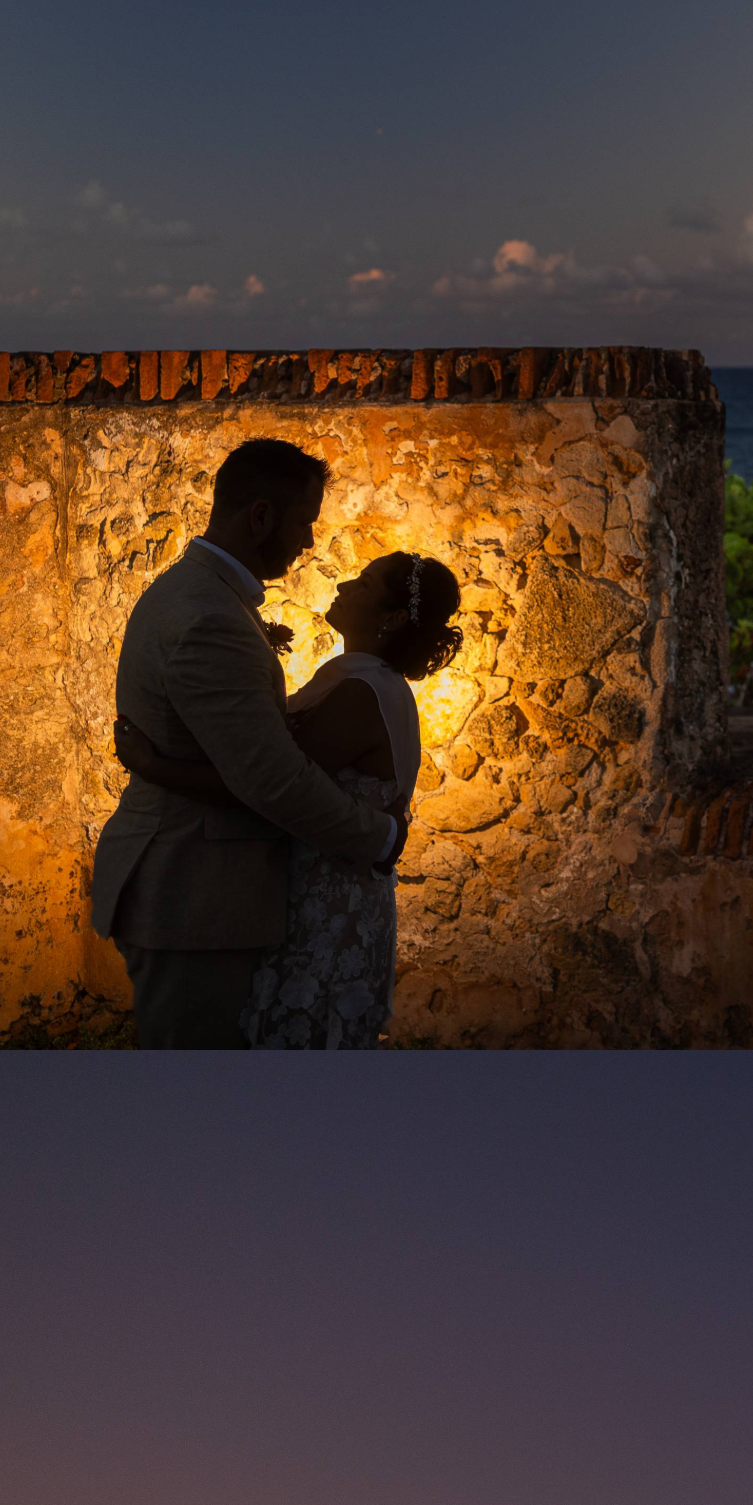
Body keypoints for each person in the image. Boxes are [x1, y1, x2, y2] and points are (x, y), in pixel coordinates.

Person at [89, 439, 408, 1049]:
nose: (310, 543)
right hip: (194, 897)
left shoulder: (191, 593)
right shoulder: (212, 618)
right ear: (259, 516)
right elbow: (273, 780)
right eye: (304, 522)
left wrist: (153, 764)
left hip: (194, 896)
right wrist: (382, 836)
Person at [115, 548, 461, 1047]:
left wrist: (155, 767)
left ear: (388, 617)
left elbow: (266, 783)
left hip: (329, 910)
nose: (344, 586)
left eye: (363, 584)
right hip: (314, 894)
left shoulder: (361, 694)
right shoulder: (353, 678)